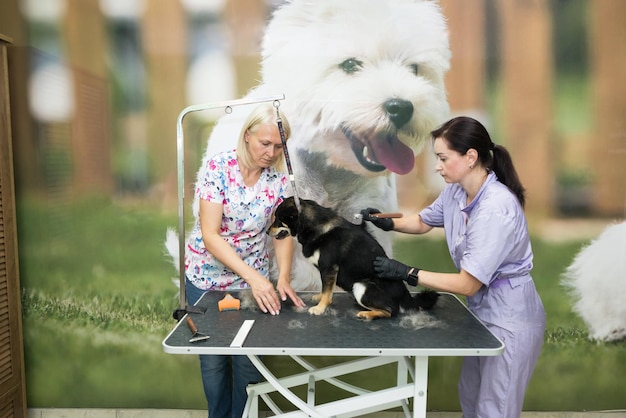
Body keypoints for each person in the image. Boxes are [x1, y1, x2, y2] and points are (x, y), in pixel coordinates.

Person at [361, 116, 546, 418]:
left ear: (471, 157)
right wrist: (387, 221)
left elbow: (467, 284)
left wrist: (408, 273)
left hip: (511, 317)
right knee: (471, 399)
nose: (437, 166)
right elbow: (423, 221)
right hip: (481, 313)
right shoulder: (457, 191)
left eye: (443, 158)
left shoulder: (495, 209)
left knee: (494, 410)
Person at [184, 103, 306, 418]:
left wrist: (282, 279)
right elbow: (211, 236)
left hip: (253, 282)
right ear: (247, 135)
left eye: (279, 146)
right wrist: (254, 278)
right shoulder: (218, 168)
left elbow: (282, 233)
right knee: (213, 362)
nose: (271, 152)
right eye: (265, 143)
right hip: (206, 280)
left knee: (249, 363)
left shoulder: (279, 181)